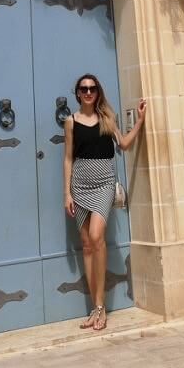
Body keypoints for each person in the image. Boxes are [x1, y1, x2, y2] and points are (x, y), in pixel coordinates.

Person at [63, 72, 146, 331]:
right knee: (87, 245)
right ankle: (96, 306)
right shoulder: (70, 121)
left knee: (97, 237)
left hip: (104, 183)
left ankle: (102, 309)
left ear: (98, 92)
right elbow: (67, 159)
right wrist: (67, 193)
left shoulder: (107, 118)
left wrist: (140, 122)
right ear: (77, 93)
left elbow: (122, 145)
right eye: (84, 88)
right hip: (80, 184)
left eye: (93, 88)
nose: (88, 92)